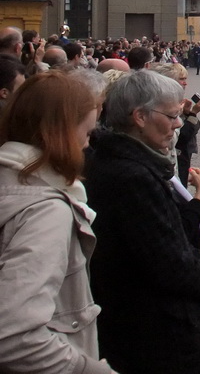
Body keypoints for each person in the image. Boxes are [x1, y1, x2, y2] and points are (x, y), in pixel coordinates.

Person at [84, 69, 200, 374]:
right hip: (156, 338)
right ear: (140, 117)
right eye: (172, 116)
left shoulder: (121, 162)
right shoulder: (132, 178)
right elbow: (170, 263)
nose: (177, 124)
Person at [0, 69, 114, 373]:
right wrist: (88, 369)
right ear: (61, 131)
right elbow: (14, 336)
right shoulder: (46, 211)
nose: (88, 145)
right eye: (86, 133)